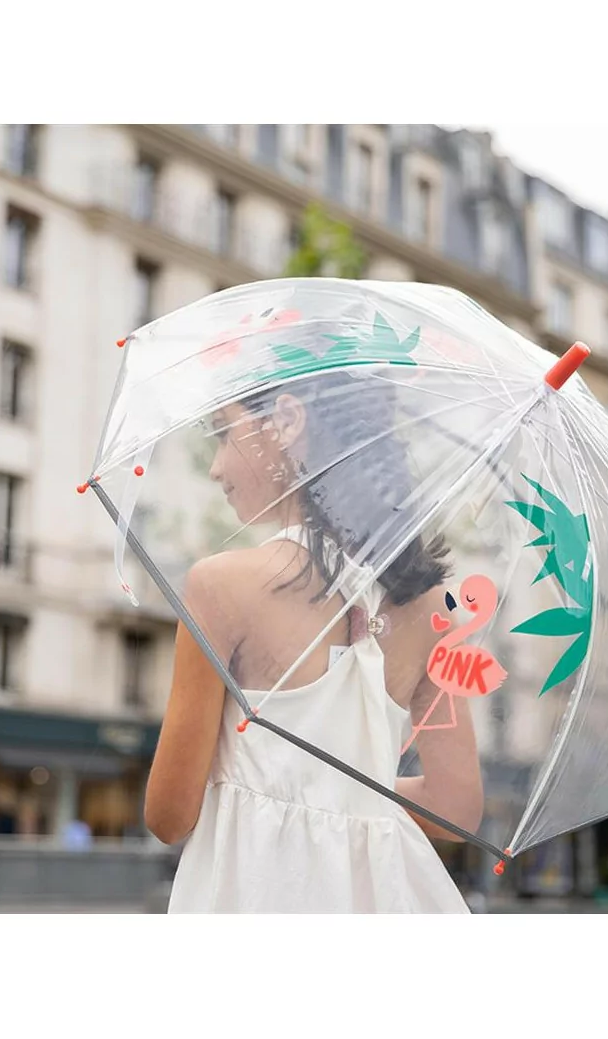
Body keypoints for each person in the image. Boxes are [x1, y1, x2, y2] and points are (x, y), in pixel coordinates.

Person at [145, 369, 482, 912]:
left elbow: (169, 815)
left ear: (287, 421)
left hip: (255, 889)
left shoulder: (220, 585)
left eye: (223, 434)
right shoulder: (431, 608)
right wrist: (341, 793)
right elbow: (456, 806)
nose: (214, 468)